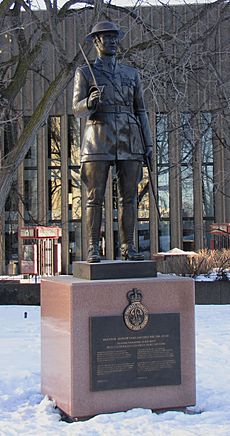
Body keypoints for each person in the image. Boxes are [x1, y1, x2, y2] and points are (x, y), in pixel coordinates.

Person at [72, 21, 153, 263]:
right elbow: (76, 108)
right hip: (98, 139)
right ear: (96, 41)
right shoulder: (85, 72)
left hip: (129, 139)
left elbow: (141, 110)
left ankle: (129, 246)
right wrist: (89, 102)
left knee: (129, 197)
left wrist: (148, 144)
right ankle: (94, 248)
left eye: (115, 37)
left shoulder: (131, 73)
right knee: (94, 198)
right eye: (107, 37)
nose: (113, 41)